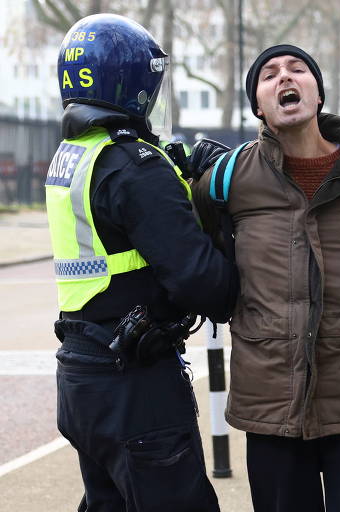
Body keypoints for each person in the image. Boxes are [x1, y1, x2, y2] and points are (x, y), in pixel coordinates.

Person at [190, 44, 340, 512]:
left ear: (317, 93)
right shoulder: (227, 180)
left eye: (297, 70)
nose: (284, 77)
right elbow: (193, 246)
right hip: (271, 407)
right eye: (268, 75)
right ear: (258, 106)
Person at [47, 14, 239, 511]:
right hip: (133, 385)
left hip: (83, 372)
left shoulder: (76, 155)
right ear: (132, 87)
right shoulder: (135, 167)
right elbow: (206, 286)